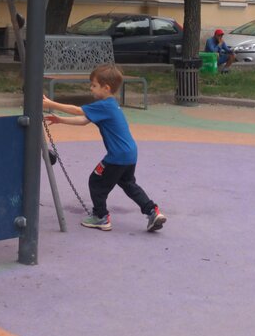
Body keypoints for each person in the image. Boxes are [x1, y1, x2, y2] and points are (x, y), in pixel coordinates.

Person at [42, 63, 166, 232]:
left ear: (106, 88)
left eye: (94, 85)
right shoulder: (110, 104)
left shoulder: (104, 105)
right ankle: (152, 211)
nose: (91, 88)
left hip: (117, 156)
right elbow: (84, 120)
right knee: (128, 183)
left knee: (96, 181)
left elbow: (78, 111)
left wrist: (51, 103)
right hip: (130, 154)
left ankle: (101, 216)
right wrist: (61, 120)